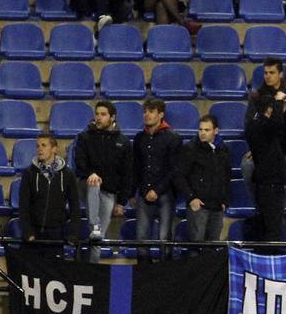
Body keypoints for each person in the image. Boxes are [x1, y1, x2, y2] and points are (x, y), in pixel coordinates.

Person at [73, 101, 131, 246]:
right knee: (94, 182)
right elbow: (79, 162)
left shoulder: (123, 142)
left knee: (98, 240)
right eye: (97, 114)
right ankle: (95, 224)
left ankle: (93, 265)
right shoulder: (85, 137)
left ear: (112, 117)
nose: (99, 117)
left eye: (103, 114)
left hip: (108, 191)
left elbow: (127, 173)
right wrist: (90, 173)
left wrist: (121, 202)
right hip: (85, 185)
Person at [133, 99, 182, 261]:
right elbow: (137, 167)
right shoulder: (139, 138)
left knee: (165, 238)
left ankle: (164, 277)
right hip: (144, 192)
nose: (146, 114)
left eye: (151, 111)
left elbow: (174, 169)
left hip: (165, 194)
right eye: (145, 111)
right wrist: (138, 190)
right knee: (141, 238)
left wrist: (157, 190)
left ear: (161, 114)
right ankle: (143, 275)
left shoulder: (173, 138)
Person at [18, 133, 82, 256]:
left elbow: (75, 206)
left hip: (56, 234)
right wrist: (27, 231)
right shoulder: (29, 173)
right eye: (37, 146)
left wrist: (73, 233)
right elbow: (23, 205)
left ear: (54, 148)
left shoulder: (67, 175)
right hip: (33, 234)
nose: (39, 149)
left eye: (43, 145)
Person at [175, 115, 229, 245]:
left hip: (217, 206)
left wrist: (224, 201)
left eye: (207, 130)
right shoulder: (190, 149)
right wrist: (192, 198)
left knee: (213, 246)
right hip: (199, 206)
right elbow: (179, 175)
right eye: (200, 129)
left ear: (216, 131)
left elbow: (226, 176)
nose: (203, 133)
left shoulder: (223, 150)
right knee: (196, 247)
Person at [245, 91, 286, 243]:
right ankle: (269, 261)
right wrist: (278, 103)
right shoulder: (256, 125)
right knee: (272, 230)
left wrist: (279, 110)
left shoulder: (263, 126)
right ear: (269, 109)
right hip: (268, 184)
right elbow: (276, 125)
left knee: (274, 226)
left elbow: (278, 131)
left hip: (274, 183)